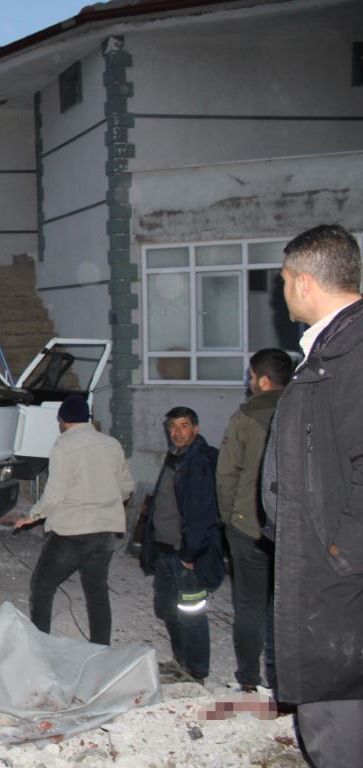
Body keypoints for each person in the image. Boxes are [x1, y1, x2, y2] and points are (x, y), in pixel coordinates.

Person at [267, 224, 363, 766]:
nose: (281, 295)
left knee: (338, 721)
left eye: (282, 281)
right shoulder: (330, 348)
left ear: (304, 282)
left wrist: (340, 554)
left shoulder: (351, 353)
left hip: (337, 585)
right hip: (327, 573)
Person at [14, 395, 134, 646]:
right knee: (97, 593)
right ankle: (101, 649)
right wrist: (108, 502)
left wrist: (33, 515)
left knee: (43, 586)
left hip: (72, 532)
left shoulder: (63, 446)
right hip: (105, 532)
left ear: (63, 420)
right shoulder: (111, 443)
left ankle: (40, 644)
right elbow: (126, 487)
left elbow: (55, 492)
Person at [216, 348, 294, 694]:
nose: (248, 384)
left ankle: (249, 679)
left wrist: (228, 518)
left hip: (249, 525)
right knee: (287, 604)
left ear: (263, 380)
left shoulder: (246, 416)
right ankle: (285, 683)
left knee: (250, 604)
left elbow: (226, 474)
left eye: (250, 376)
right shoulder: (306, 409)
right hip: (293, 528)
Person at [140, 406, 223, 684]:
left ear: (196, 429)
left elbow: (202, 513)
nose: (177, 432)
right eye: (173, 427)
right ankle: (181, 659)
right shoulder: (175, 457)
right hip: (165, 548)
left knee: (191, 614)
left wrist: (191, 553)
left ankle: (196, 670)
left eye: (184, 426)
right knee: (167, 608)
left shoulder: (199, 461)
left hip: (185, 554)